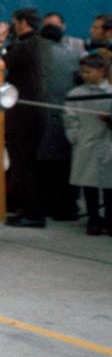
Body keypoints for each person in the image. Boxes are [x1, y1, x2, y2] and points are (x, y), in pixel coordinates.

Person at [0, 7, 51, 228]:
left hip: (24, 116)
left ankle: (33, 213)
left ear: (22, 22)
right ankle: (28, 208)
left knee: (24, 165)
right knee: (27, 164)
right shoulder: (40, 44)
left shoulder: (28, 46)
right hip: (35, 114)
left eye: (14, 22)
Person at [62, 53, 112, 235]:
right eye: (82, 72)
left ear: (102, 71)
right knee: (88, 184)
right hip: (85, 143)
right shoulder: (76, 94)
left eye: (89, 71)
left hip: (108, 142)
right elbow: (69, 118)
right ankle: (93, 219)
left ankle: (109, 220)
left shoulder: (110, 92)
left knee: (109, 185)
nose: (84, 75)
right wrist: (75, 137)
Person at [37, 22, 81, 220]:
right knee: (67, 164)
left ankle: (51, 205)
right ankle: (69, 206)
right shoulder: (75, 54)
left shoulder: (40, 55)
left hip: (45, 114)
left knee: (47, 167)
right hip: (70, 112)